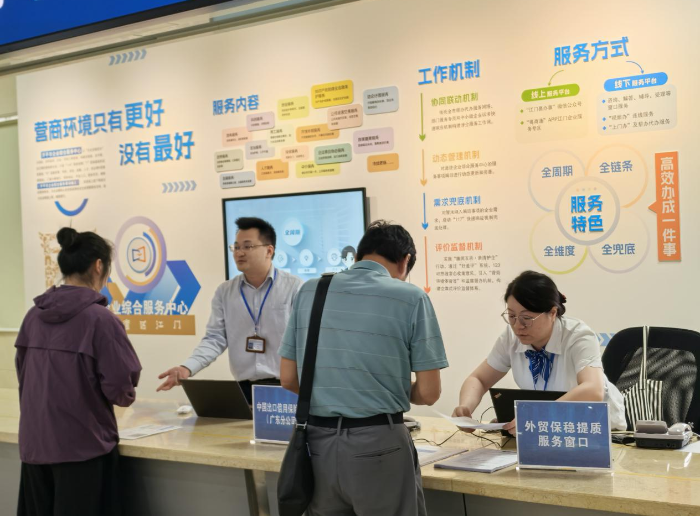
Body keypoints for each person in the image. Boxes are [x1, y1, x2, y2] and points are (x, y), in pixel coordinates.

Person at [279, 220, 448, 516]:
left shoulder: (310, 291)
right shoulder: (411, 297)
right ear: (405, 261)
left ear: (358, 256)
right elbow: (429, 393)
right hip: (380, 444)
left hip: (316, 446)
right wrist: (386, 388)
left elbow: (289, 378)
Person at [15, 227, 142, 516]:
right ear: (99, 266)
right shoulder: (101, 320)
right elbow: (121, 390)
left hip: (34, 446)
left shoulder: (33, 316)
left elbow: (23, 375)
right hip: (83, 449)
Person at [452, 270, 626, 432]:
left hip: (598, 430)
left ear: (552, 313)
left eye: (527, 318)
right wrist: (465, 407)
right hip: (545, 429)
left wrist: (537, 415)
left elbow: (593, 390)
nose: (518, 326)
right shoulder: (511, 338)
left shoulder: (578, 336)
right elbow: (479, 379)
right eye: (511, 316)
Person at [157, 217, 303, 403]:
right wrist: (187, 368)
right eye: (236, 247)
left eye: (247, 246)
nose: (239, 253)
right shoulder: (225, 292)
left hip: (286, 388)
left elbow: (304, 340)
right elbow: (215, 338)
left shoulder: (294, 287)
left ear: (269, 250)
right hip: (243, 388)